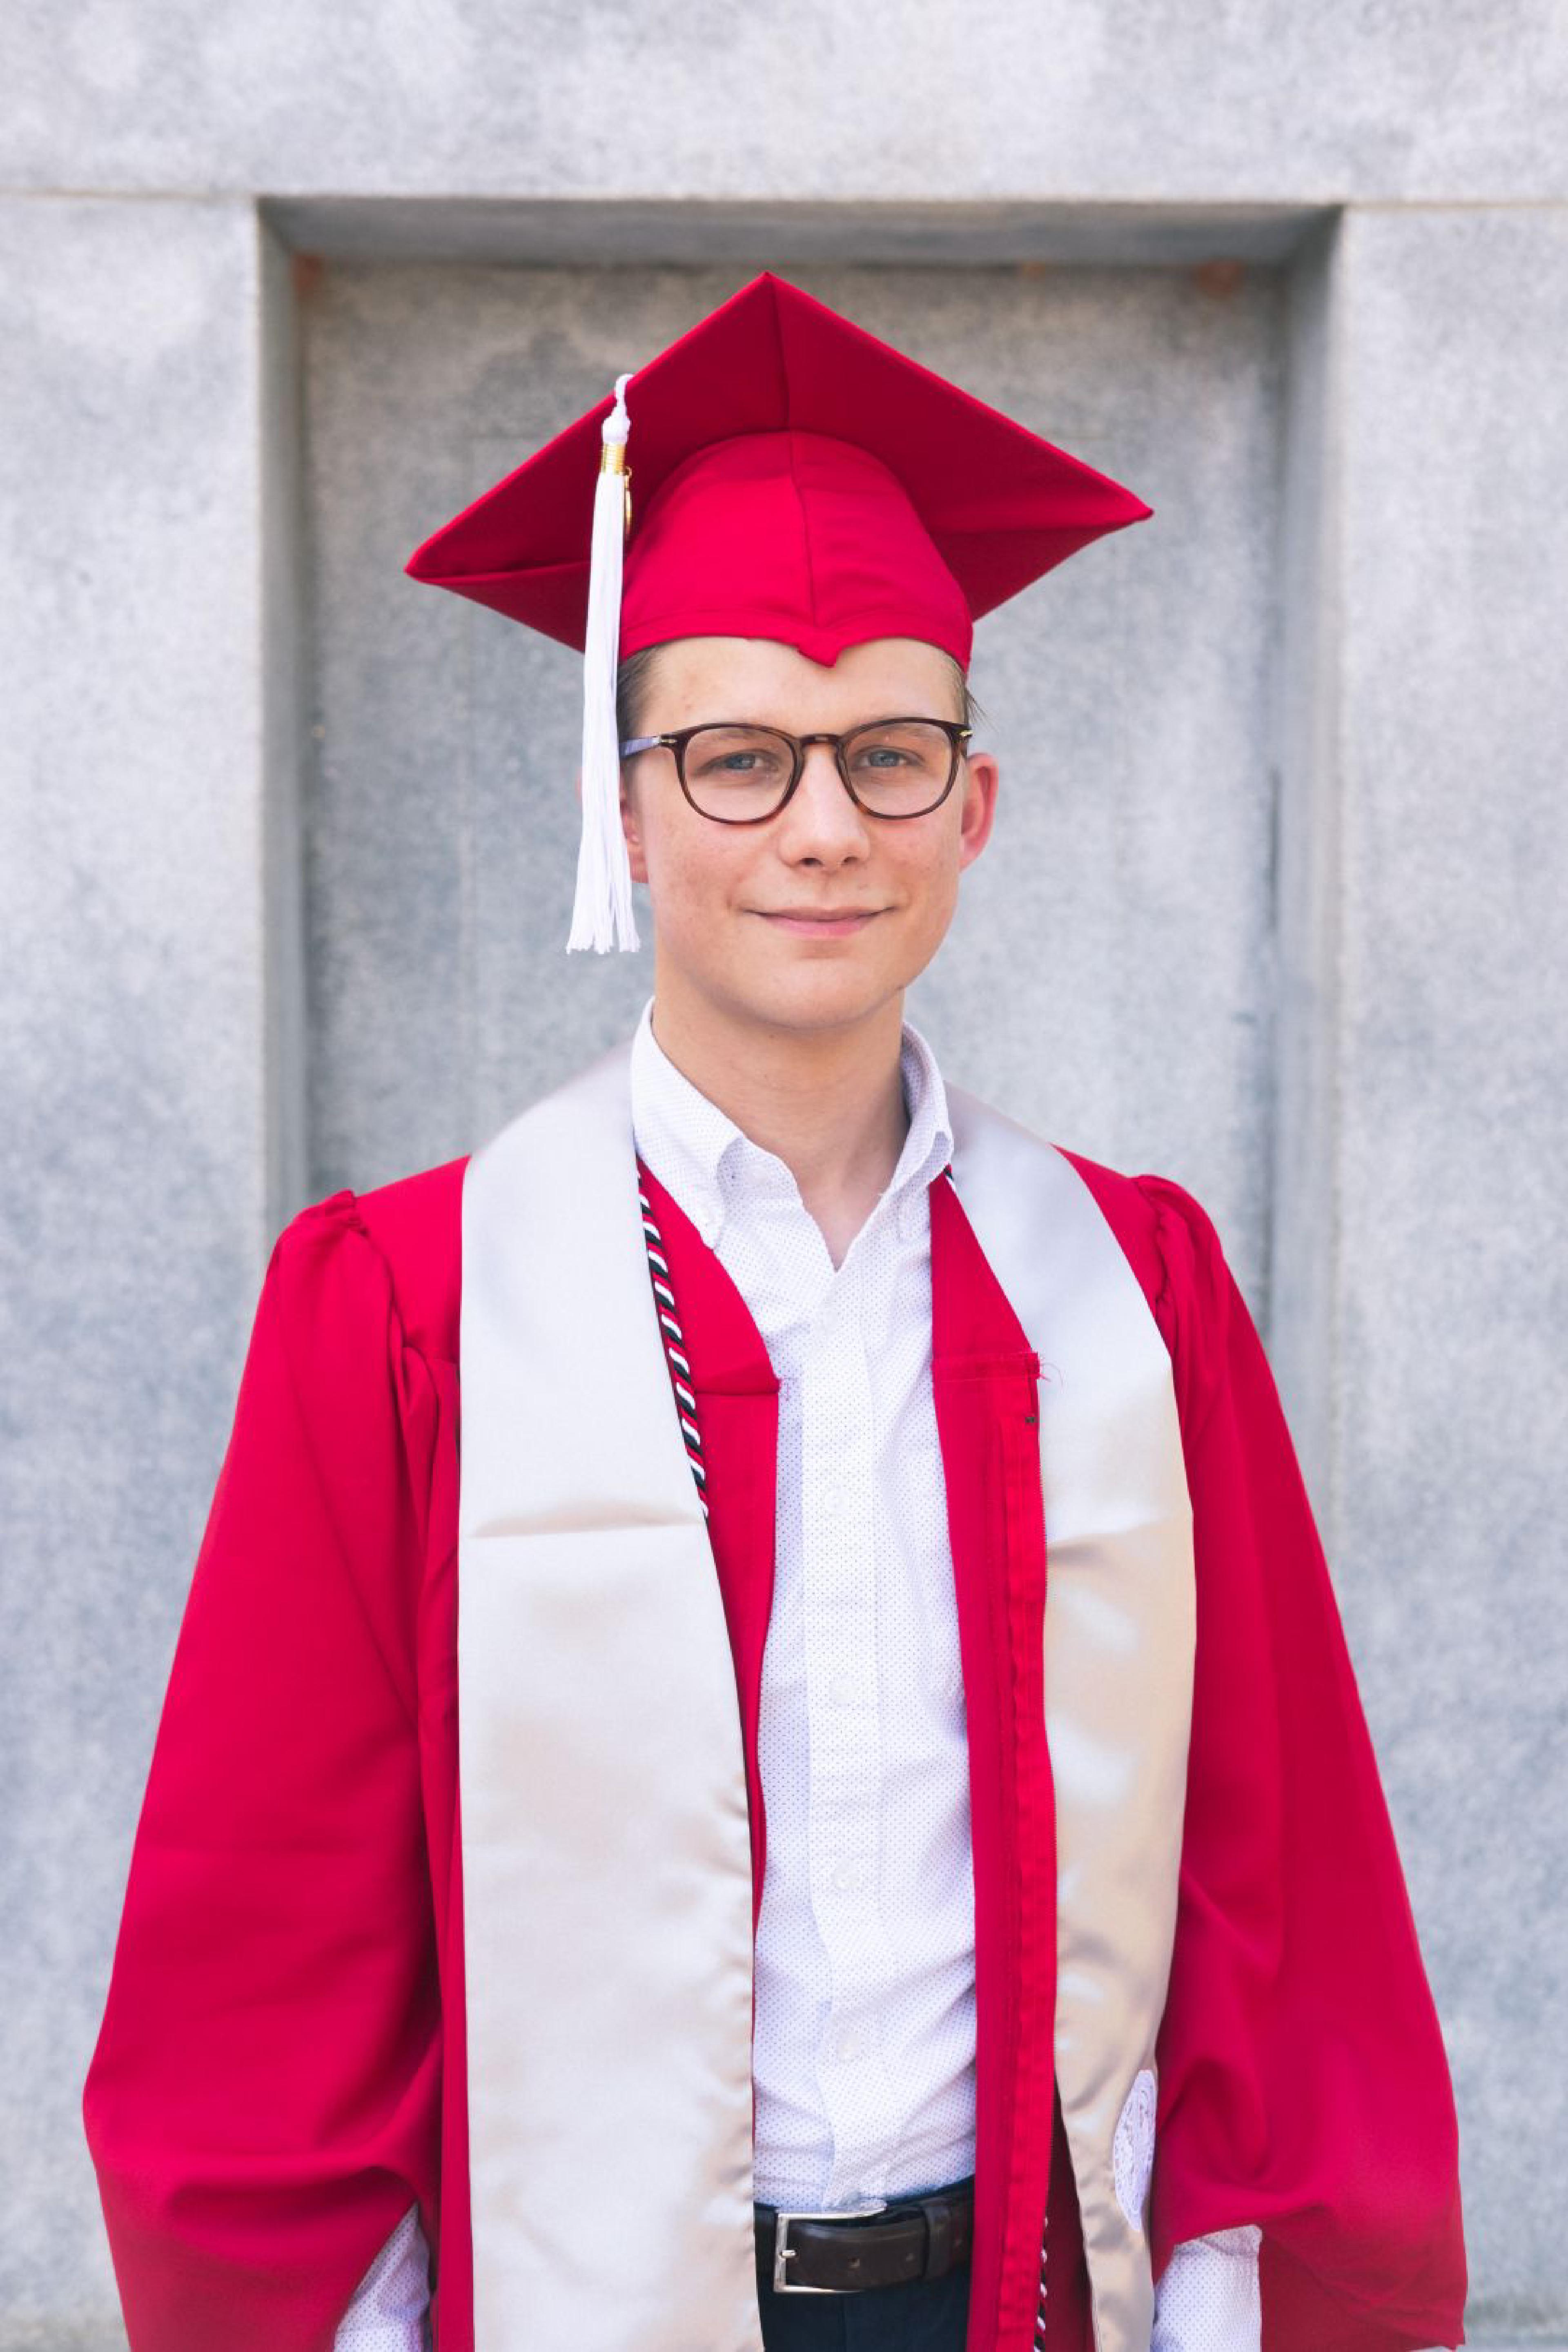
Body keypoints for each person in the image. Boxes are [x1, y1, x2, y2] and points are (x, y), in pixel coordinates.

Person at [82, 272, 1467, 2352]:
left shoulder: (1131, 1293)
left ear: (973, 815)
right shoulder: (405, 1309)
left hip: (1023, 2304)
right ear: (622, 817)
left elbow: (1280, 1914)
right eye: (738, 760)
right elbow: (266, 1970)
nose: (825, 827)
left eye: (892, 757)